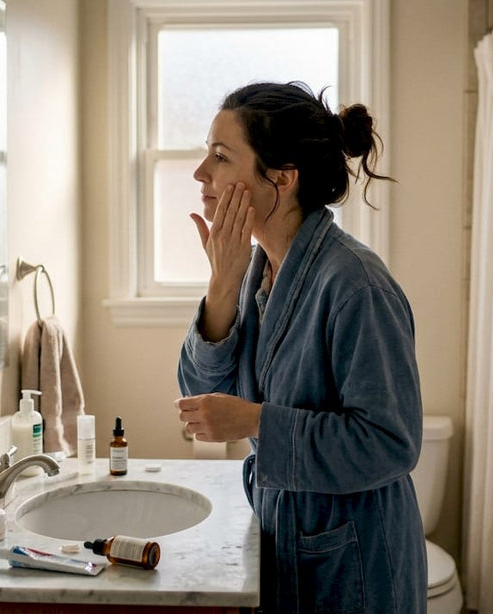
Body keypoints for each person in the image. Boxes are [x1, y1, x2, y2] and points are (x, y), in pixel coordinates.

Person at [175, 81, 426, 613]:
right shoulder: (254, 271)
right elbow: (198, 397)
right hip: (289, 538)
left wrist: (254, 422)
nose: (201, 174)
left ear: (282, 179)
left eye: (221, 157)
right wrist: (221, 283)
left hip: (354, 561)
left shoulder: (355, 285)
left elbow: (390, 442)